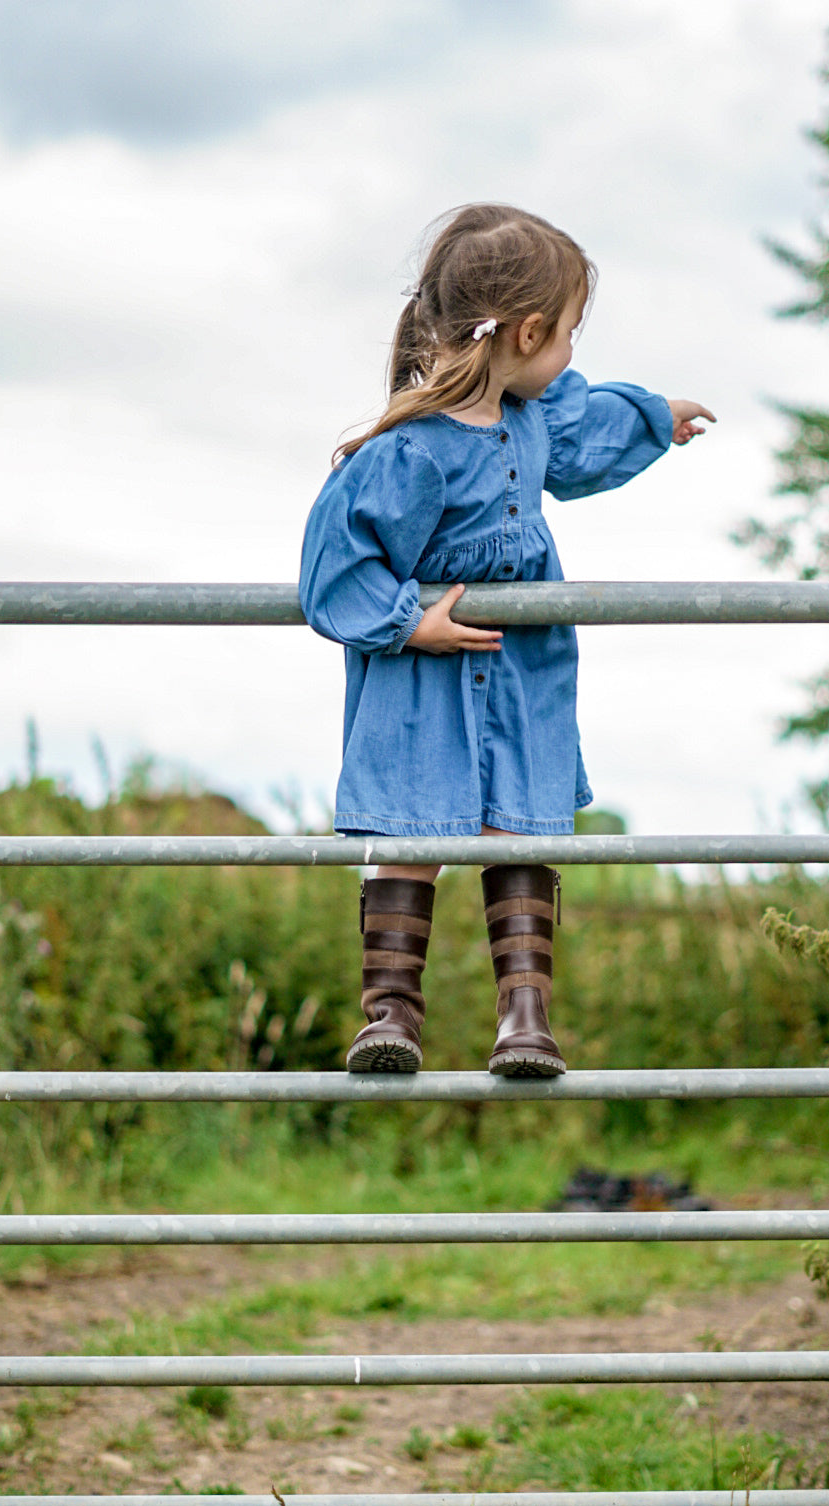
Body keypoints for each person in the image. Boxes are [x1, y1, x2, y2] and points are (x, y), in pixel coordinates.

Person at [300, 203, 713, 1079]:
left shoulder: (532, 419)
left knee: (518, 827)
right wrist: (409, 622)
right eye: (567, 333)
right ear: (527, 333)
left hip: (521, 667)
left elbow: (586, 431)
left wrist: (654, 418)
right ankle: (390, 1015)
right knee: (409, 830)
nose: (569, 351)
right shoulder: (411, 451)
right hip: (423, 671)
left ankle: (525, 1021)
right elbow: (336, 556)